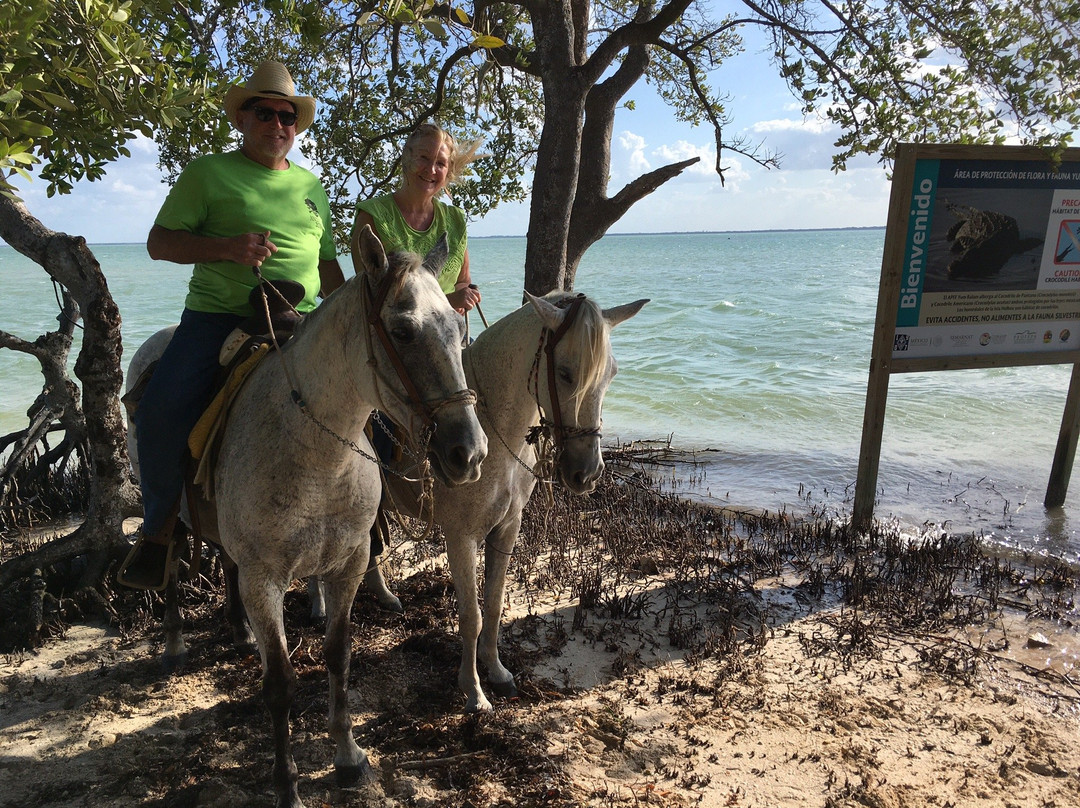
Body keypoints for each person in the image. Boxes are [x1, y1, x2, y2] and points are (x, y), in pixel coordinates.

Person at [117, 61, 345, 590]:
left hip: (302, 319)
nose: (277, 124)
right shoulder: (207, 173)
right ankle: (158, 534)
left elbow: (329, 264)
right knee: (159, 412)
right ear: (243, 118)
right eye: (264, 112)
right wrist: (226, 248)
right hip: (219, 320)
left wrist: (353, 307)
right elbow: (159, 243)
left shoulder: (313, 187)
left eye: (287, 115)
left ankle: (366, 528)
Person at [351, 123, 482, 314]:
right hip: (392, 339)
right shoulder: (372, 217)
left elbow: (462, 281)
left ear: (448, 170)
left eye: (440, 163)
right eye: (423, 158)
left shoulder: (455, 220)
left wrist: (466, 296)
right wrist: (448, 301)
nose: (431, 169)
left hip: (449, 332)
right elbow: (371, 296)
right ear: (406, 158)